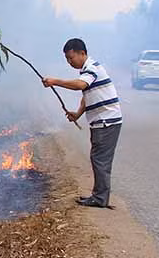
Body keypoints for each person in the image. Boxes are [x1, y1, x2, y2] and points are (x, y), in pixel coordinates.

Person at [41, 38, 122, 208]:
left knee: (100, 160)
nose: (70, 62)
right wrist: (77, 115)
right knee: (98, 159)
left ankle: (100, 198)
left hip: (106, 122)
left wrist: (55, 81)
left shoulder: (91, 69)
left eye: (71, 58)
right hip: (104, 121)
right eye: (67, 60)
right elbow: (87, 96)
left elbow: (80, 86)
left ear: (82, 53)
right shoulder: (87, 71)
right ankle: (99, 196)